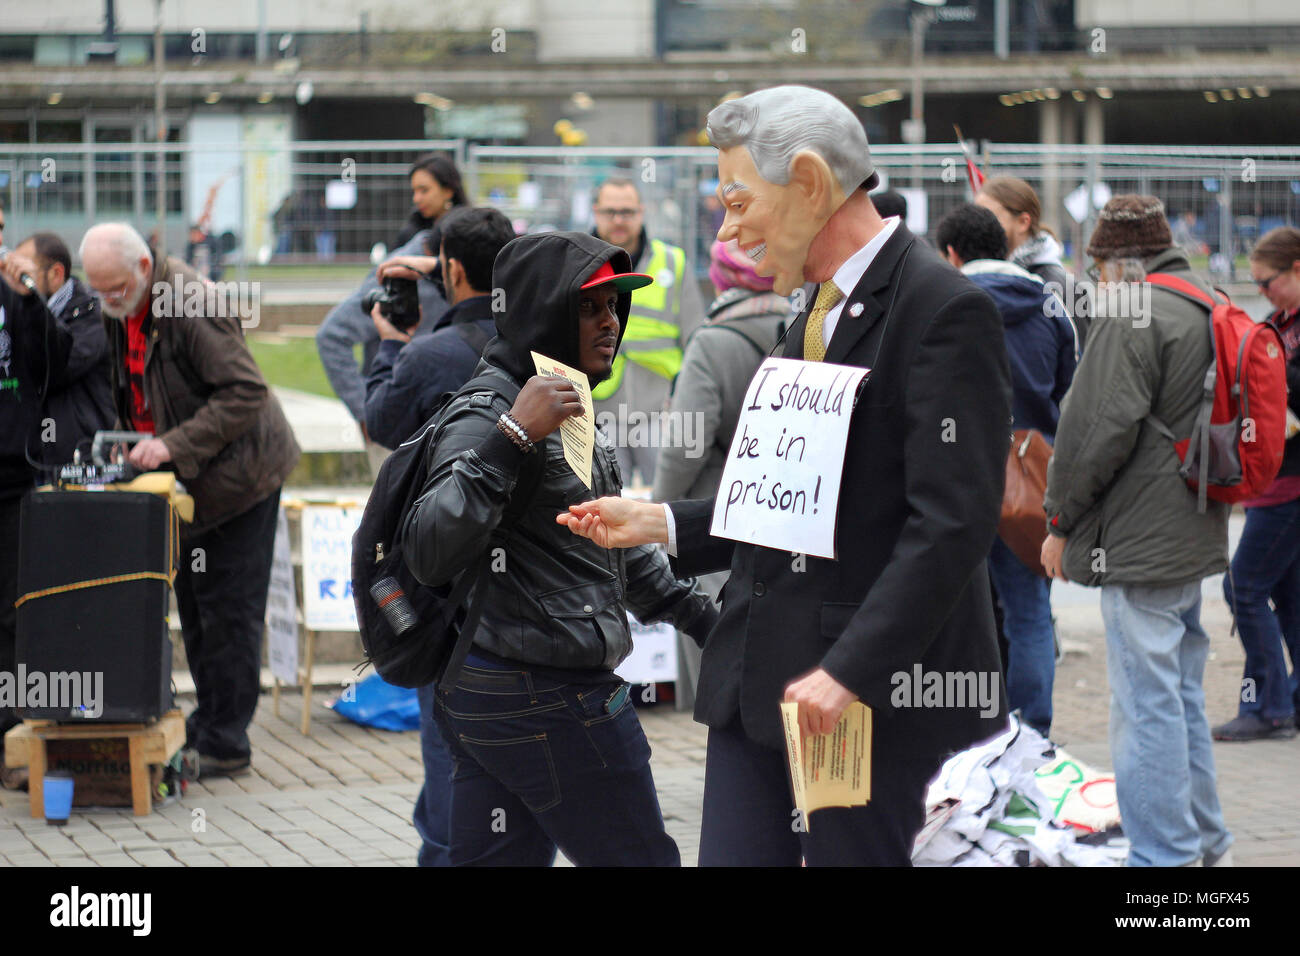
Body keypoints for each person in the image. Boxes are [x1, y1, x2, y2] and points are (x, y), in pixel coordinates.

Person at [560, 85, 1012, 866]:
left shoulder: (942, 311)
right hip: (757, 687)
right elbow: (784, 498)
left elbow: (950, 526)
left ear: (808, 182)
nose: (729, 230)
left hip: (863, 704)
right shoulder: (807, 312)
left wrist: (848, 671)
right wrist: (660, 524)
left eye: (738, 202)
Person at [402, 231, 716, 866]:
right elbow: (428, 547)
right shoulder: (495, 411)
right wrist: (512, 435)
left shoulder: (565, 397)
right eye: (589, 308)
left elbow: (606, 546)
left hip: (515, 691)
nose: (611, 324)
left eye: (614, 307)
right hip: (547, 696)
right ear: (542, 310)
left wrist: (702, 617)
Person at [1040, 195, 1234, 867]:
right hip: (1192, 527)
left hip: (1141, 538)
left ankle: (1164, 859)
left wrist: (1059, 519)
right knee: (1178, 697)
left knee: (1145, 708)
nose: (1096, 281)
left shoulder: (1134, 313)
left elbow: (1093, 431)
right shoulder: (1204, 300)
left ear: (1121, 262)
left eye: (1098, 266)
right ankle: (1207, 845)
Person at [80, 223, 301, 780]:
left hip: (240, 482)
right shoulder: (122, 304)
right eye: (97, 289)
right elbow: (130, 388)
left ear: (143, 269)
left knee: (229, 611)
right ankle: (210, 722)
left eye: (114, 288)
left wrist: (172, 444)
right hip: (190, 483)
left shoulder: (190, 303)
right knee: (198, 607)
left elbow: (246, 391)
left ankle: (227, 741)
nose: (106, 300)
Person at [936, 203, 1076, 737]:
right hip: (1032, 482)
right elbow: (1069, 391)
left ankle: (974, 728)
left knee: (958, 614)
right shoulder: (1050, 306)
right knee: (1030, 610)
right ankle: (1033, 729)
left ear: (952, 253)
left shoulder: (943, 303)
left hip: (958, 479)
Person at [652, 238, 790, 705]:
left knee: (722, 649)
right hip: (791, 509)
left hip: (718, 519)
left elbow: (685, 445)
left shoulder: (711, 342)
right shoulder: (807, 329)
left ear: (721, 278)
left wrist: (660, 511)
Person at [1213, 227, 1300, 741]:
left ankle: (1268, 707)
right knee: (1287, 597)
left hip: (1289, 484)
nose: (1261, 291)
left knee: (1242, 588)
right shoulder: (1276, 324)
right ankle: (1285, 702)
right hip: (1274, 476)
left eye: (1267, 282)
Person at [0, 244, 72, 791]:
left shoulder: (15, 295)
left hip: (9, 479)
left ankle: (8, 741)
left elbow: (54, 364)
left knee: (10, 615)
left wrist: (31, 300)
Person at [364, 207, 515, 450]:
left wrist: (391, 345)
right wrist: (438, 267)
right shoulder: (536, 337)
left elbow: (380, 425)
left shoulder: (425, 358)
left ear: (454, 272)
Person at [589, 177, 706, 485]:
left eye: (627, 212)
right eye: (610, 212)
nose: (618, 220)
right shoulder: (579, 265)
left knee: (664, 506)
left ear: (642, 212)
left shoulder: (673, 262)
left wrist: (684, 401)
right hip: (599, 413)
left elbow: (695, 338)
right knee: (606, 504)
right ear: (595, 211)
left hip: (658, 414)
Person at [315, 229, 449, 473]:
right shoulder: (397, 274)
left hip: (440, 426)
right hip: (394, 425)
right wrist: (364, 411)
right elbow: (331, 336)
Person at [13, 232, 115, 468]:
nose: (18, 279)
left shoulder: (92, 315)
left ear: (56, 273)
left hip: (85, 457)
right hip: (35, 456)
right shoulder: (20, 312)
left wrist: (33, 311)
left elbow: (56, 370)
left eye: (27, 271)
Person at [976, 176, 1087, 347]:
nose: (980, 228)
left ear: (1023, 222)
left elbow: (1079, 358)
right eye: (977, 218)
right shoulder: (987, 275)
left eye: (990, 218)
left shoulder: (1059, 287)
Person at [394, 153, 468, 250]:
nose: (416, 199)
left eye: (424, 190)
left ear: (448, 190)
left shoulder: (467, 231)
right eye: (414, 191)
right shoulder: (410, 233)